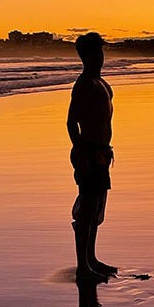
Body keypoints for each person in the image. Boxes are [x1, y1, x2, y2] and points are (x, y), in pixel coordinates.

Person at [68, 32, 118, 282]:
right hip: (87, 152)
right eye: (94, 53)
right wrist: (81, 154)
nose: (99, 57)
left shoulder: (101, 82)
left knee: (97, 208)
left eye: (101, 52)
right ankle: (82, 267)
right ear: (84, 56)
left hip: (101, 152)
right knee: (86, 209)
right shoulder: (84, 84)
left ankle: (91, 259)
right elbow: (71, 123)